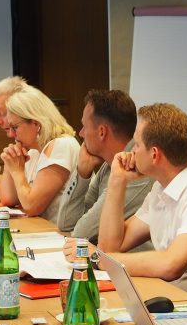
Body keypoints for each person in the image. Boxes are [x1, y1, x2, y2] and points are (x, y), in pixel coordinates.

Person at [65, 102, 187, 325]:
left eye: (137, 145)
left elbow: (170, 265)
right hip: (181, 300)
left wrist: (99, 259)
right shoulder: (162, 187)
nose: (130, 152)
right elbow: (111, 246)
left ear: (155, 154)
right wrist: (117, 180)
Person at [55, 89, 153, 248]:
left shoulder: (135, 168)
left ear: (102, 132)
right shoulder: (109, 164)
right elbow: (66, 223)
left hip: (130, 263)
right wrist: (82, 173)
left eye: (84, 126)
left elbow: (81, 233)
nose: (81, 133)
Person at [0, 86, 80, 225]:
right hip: (46, 231)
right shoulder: (33, 152)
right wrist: (9, 162)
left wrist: (17, 171)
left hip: (67, 235)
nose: (11, 134)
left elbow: (31, 206)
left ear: (36, 124)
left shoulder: (62, 145)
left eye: (15, 127)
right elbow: (9, 199)